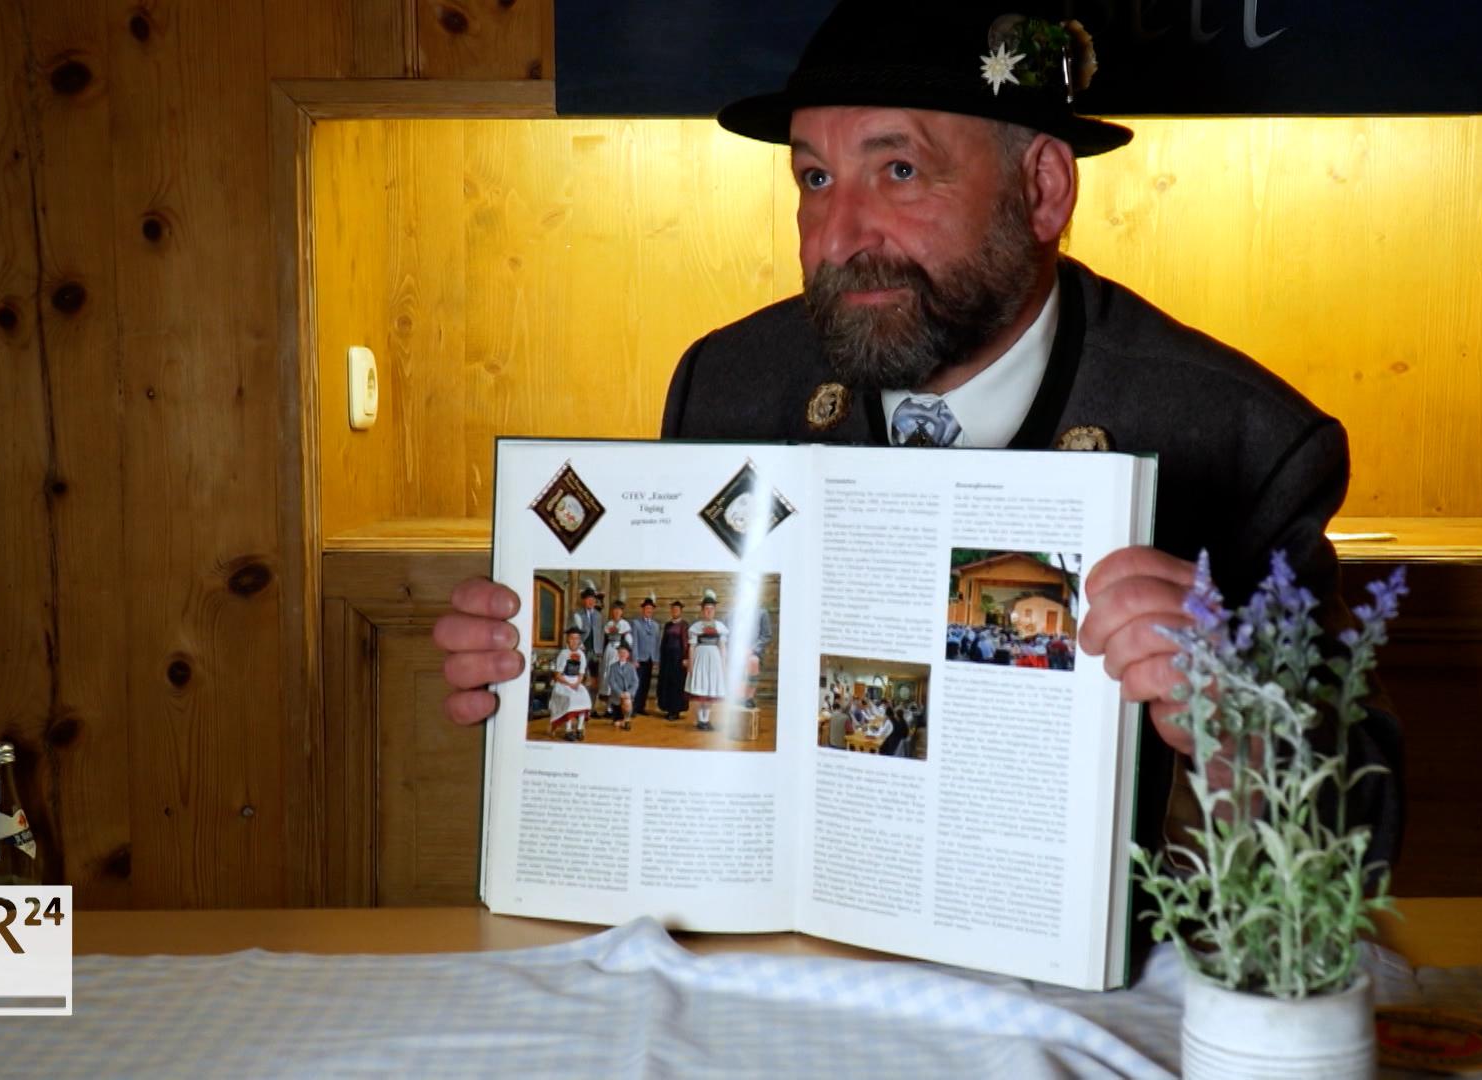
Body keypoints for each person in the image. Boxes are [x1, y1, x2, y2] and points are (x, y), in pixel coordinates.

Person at [433, 0, 1401, 869]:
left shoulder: (1244, 435)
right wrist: (521, 680)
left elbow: (1359, 846)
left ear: (1044, 190)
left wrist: (1238, 732)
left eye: (898, 170)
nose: (840, 234)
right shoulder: (728, 382)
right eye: (814, 177)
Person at [685, 592, 731, 731]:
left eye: (711, 609)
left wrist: (724, 666)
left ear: (714, 610)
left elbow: (722, 647)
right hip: (700, 659)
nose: (709, 611)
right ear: (702, 610)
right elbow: (692, 647)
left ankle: (707, 719)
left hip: (715, 661)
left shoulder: (720, 627)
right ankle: (700, 720)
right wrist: (691, 665)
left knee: (710, 689)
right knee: (701, 689)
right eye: (706, 609)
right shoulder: (696, 627)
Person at [547, 628, 593, 742]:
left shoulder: (581, 654)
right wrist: (569, 684)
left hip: (576, 682)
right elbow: (558, 675)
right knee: (571, 698)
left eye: (577, 638)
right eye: (572, 638)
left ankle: (579, 728)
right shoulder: (563, 654)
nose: (574, 641)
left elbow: (581, 673)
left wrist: (577, 683)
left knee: (584, 696)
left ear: (579, 640)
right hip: (563, 682)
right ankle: (568, 730)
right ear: (568, 640)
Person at [655, 600, 689, 719]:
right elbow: (663, 642)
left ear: (680, 611)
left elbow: (686, 643)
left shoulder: (684, 625)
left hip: (678, 659)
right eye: (673, 609)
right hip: (667, 659)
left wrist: (686, 658)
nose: (675, 611)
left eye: (677, 609)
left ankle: (676, 710)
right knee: (667, 683)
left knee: (677, 685)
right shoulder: (668, 625)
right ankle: (668, 708)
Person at [628, 597, 660, 717]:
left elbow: (657, 643)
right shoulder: (636, 623)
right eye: (647, 608)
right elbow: (634, 641)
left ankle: (641, 706)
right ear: (643, 610)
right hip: (640, 658)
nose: (649, 610)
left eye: (651, 609)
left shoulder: (656, 626)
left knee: (646, 684)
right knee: (637, 683)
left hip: (650, 658)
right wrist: (634, 659)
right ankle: (633, 707)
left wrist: (656, 659)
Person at [598, 600, 630, 717]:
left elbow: (627, 640)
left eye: (619, 610)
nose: (616, 612)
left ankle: (618, 708)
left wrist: (625, 653)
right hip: (609, 650)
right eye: (614, 610)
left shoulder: (624, 624)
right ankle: (608, 708)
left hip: (619, 650)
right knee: (607, 675)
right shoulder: (609, 624)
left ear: (622, 612)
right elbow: (604, 638)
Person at [605, 643, 638, 731]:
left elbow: (635, 682)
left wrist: (629, 693)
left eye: (624, 653)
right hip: (617, 696)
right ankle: (620, 720)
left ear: (628, 655)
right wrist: (620, 693)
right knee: (616, 723)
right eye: (620, 652)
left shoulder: (631, 667)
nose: (622, 654)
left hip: (627, 695)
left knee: (627, 702)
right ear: (618, 654)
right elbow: (612, 681)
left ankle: (627, 719)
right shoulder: (613, 667)